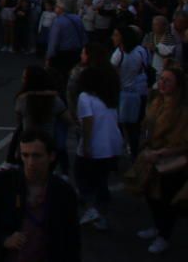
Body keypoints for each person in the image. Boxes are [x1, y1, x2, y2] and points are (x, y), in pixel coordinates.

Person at [0, 128, 80, 262]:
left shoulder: (64, 193)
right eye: (25, 155)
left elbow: (72, 242)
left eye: (37, 155)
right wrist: (2, 239)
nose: (30, 163)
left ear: (51, 156)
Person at [125, 66, 188, 255]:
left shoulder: (183, 110)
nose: (162, 83)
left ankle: (164, 235)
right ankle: (157, 227)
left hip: (170, 161)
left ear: (178, 86)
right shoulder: (156, 102)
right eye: (161, 79)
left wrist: (160, 153)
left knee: (166, 199)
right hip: (150, 155)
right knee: (150, 195)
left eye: (168, 81)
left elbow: (183, 142)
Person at [73, 64, 123, 230]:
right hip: (110, 145)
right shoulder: (107, 97)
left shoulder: (84, 97)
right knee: (101, 181)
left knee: (82, 177)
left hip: (95, 146)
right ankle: (101, 215)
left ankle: (91, 209)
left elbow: (88, 121)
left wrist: (86, 145)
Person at [111, 25, 150, 157]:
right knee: (134, 127)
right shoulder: (141, 51)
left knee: (121, 126)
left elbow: (113, 76)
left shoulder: (118, 54)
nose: (113, 38)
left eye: (115, 35)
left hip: (123, 94)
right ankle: (134, 153)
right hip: (139, 92)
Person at [46, 1, 87, 78]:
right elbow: (83, 36)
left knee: (61, 75)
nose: (55, 8)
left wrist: (49, 56)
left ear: (61, 9)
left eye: (57, 7)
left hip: (63, 53)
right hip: (76, 51)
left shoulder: (58, 22)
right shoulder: (77, 18)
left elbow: (53, 41)